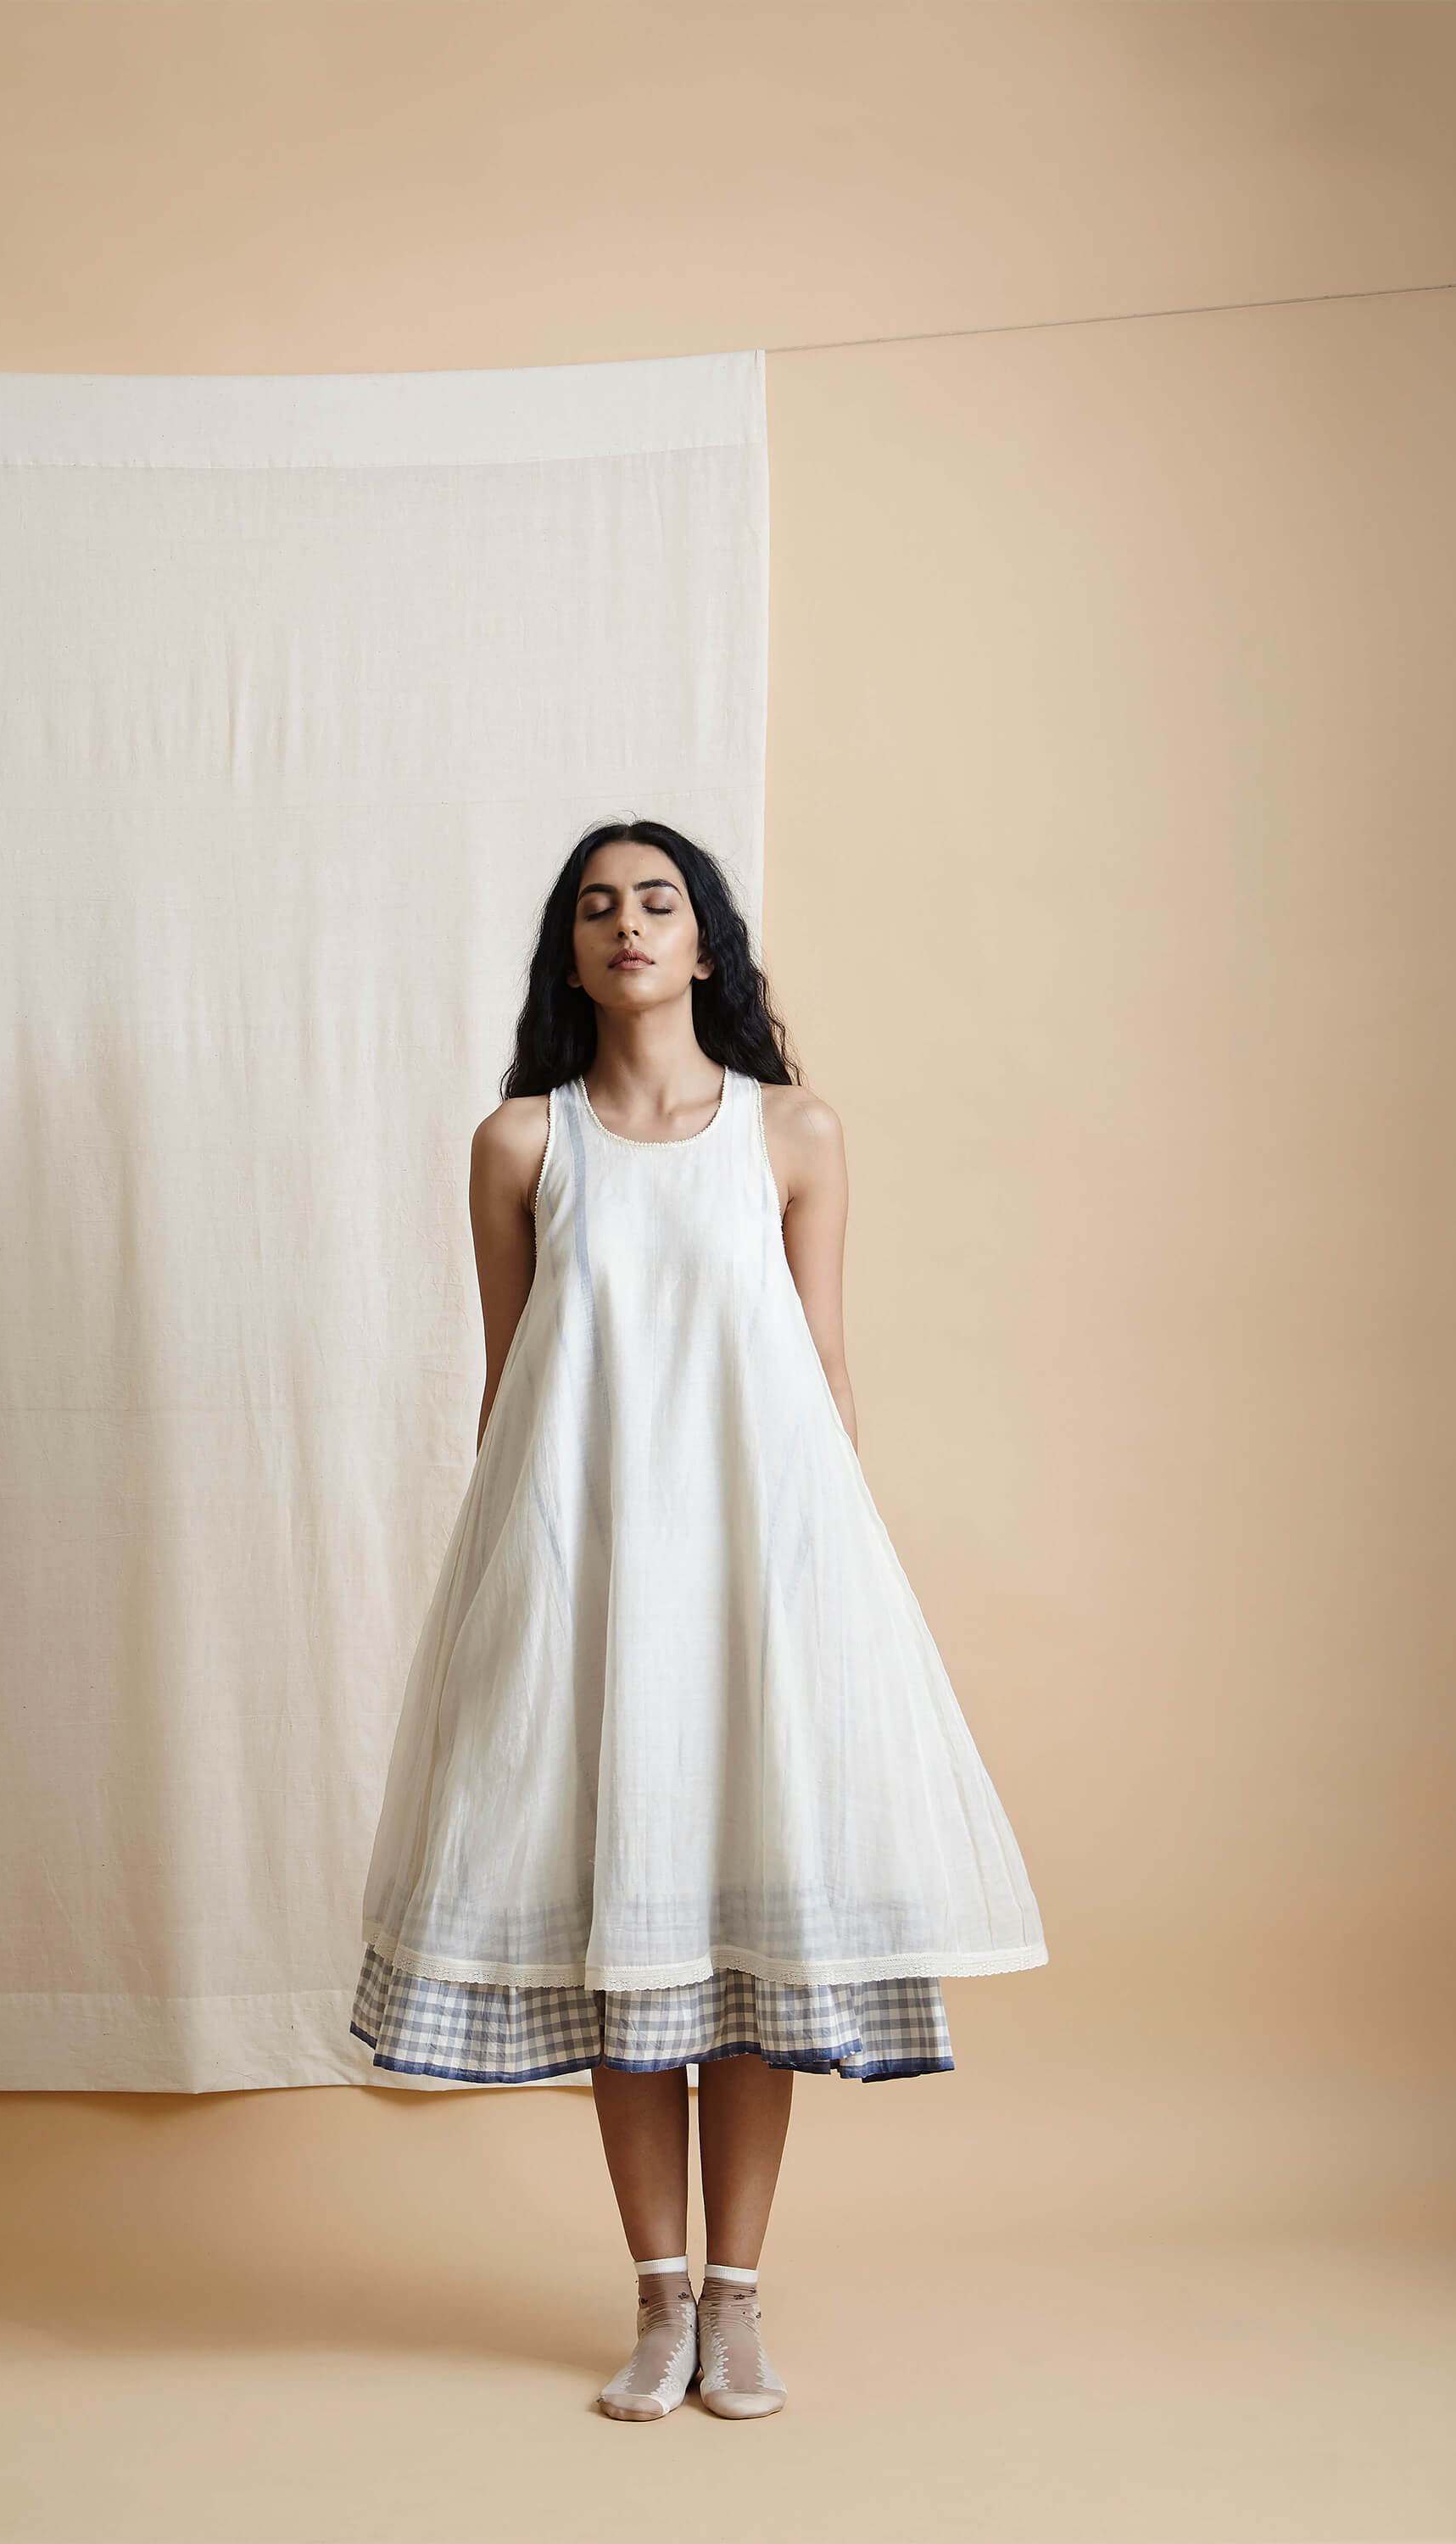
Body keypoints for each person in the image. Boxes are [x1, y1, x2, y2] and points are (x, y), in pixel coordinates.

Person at [351, 818, 1047, 2421]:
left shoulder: (793, 1134)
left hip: (756, 1583)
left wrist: (833, 1597)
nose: (627, 925)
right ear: (571, 954)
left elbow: (823, 1377)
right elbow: (511, 1390)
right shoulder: (520, 1146)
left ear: (704, 942)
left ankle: (738, 2303)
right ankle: (655, 2301)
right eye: (596, 908)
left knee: (747, 1943)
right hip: (591, 1590)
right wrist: (507, 1610)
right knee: (628, 1945)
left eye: (655, 900)